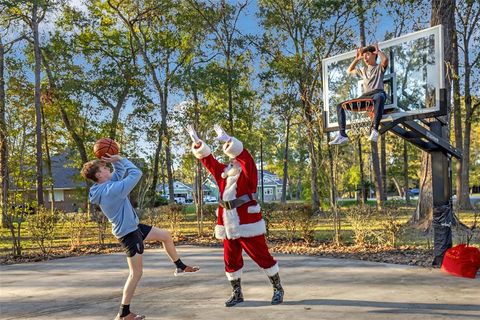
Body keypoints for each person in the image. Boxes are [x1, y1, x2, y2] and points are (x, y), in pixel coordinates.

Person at [81, 154, 199, 320]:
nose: (108, 169)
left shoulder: (105, 186)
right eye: (104, 168)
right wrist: (121, 158)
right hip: (128, 234)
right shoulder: (111, 190)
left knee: (165, 235)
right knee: (135, 274)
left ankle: (180, 266)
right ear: (99, 175)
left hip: (134, 227)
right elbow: (135, 173)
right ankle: (123, 313)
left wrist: (115, 161)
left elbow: (120, 171)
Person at [187, 124, 284, 307]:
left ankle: (278, 288)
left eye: (233, 158)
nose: (230, 160)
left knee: (262, 257)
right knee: (230, 260)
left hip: (247, 224)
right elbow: (209, 161)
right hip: (227, 224)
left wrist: (229, 141)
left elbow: (246, 159)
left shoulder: (249, 174)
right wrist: (198, 143)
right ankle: (237, 293)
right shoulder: (224, 174)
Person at [329, 43, 389, 145]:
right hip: (365, 97)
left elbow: (385, 60)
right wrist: (357, 59)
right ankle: (342, 134)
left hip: (377, 94)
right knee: (340, 106)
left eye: (368, 54)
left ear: (374, 55)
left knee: (380, 96)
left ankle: (374, 129)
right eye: (364, 55)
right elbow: (349, 70)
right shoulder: (363, 70)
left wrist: (378, 51)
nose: (365, 57)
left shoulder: (379, 68)